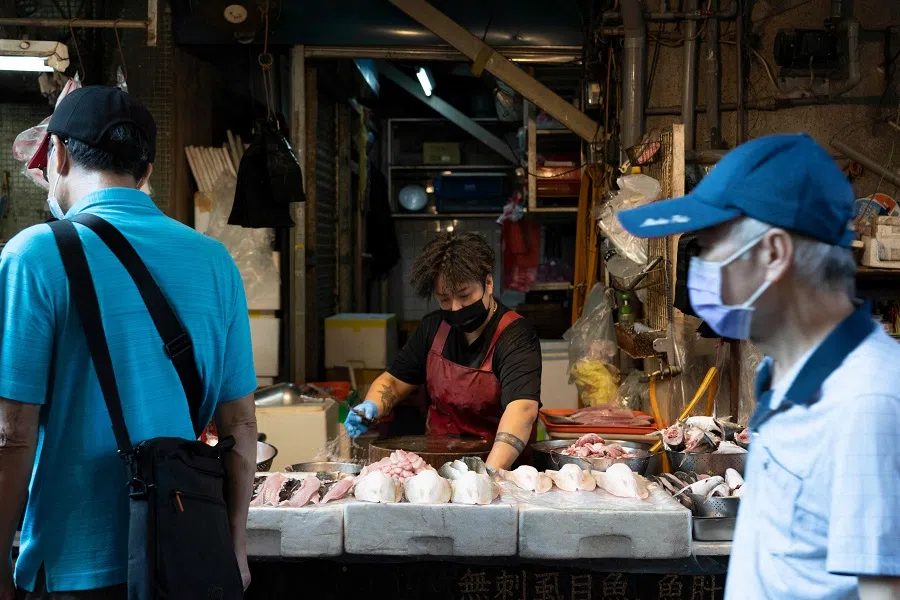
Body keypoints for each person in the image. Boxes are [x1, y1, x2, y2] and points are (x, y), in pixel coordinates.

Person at [0, 87, 259, 600]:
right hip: (186, 555)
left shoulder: (33, 254)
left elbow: (11, 433)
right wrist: (233, 546)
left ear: (58, 154)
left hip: (74, 561)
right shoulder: (214, 261)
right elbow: (241, 425)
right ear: (144, 172)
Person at [618, 133, 900, 599]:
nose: (702, 270)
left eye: (712, 248)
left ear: (773, 254)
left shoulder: (864, 401)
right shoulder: (785, 380)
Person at [344, 232, 542, 470]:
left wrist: (487, 476)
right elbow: (395, 382)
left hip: (501, 465)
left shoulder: (515, 335)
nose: (455, 308)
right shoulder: (433, 327)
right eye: (444, 299)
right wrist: (373, 405)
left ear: (488, 283)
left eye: (464, 295)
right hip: (438, 465)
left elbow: (522, 409)